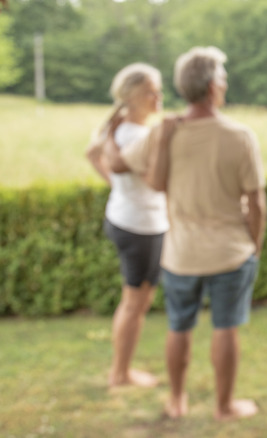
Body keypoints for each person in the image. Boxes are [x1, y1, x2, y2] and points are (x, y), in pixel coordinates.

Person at [105, 46, 267, 421]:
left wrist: (111, 134)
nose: (225, 85)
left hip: (179, 255)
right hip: (230, 253)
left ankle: (177, 401)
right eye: (223, 79)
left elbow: (115, 163)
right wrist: (254, 246)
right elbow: (257, 204)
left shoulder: (165, 132)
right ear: (212, 87)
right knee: (225, 327)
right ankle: (225, 407)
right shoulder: (240, 136)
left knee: (179, 327)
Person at [85, 63, 168, 388]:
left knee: (138, 301)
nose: (158, 96)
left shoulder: (115, 129)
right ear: (132, 97)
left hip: (126, 218)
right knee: (135, 303)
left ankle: (122, 370)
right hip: (141, 227)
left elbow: (92, 154)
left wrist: (119, 188)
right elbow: (157, 182)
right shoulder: (140, 135)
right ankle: (120, 374)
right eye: (151, 91)